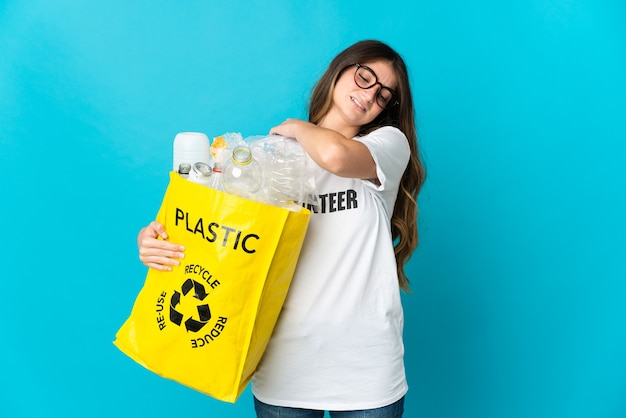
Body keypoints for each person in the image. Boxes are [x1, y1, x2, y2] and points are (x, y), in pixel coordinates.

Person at [137, 39, 426, 418]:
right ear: (340, 70)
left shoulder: (386, 145)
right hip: (284, 368)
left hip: (364, 372)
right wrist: (156, 240)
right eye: (365, 76)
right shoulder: (265, 160)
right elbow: (215, 237)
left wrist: (297, 128)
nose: (370, 94)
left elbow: (336, 156)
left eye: (383, 94)